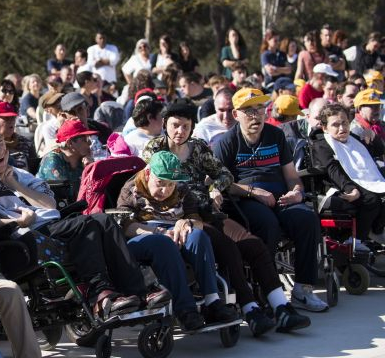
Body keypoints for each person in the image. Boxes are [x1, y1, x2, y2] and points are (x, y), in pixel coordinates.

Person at [0, 120, 171, 325]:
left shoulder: (16, 172)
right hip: (21, 236)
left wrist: (16, 185)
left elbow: (49, 205)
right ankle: (101, 294)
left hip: (50, 224)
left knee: (105, 221)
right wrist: (14, 220)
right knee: (90, 224)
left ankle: (136, 293)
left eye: (0, 142)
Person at [141, 103, 311, 335]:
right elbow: (157, 186)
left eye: (185, 126)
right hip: (180, 217)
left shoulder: (199, 147)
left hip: (208, 211)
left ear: (192, 128)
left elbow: (224, 174)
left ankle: (282, 307)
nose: (179, 131)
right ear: (165, 125)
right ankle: (251, 309)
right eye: (174, 125)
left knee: (254, 245)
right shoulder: (154, 150)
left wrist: (215, 189)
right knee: (229, 249)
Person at [212, 88, 328, 313]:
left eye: (259, 109)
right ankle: (267, 288)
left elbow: (292, 176)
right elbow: (221, 182)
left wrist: (296, 192)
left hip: (281, 197)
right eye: (249, 111)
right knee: (268, 224)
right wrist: (254, 192)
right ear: (236, 115)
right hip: (245, 201)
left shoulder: (276, 135)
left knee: (307, 219)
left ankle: (302, 290)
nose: (256, 115)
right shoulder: (226, 142)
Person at [311, 104, 385, 248]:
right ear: (325, 127)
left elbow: (377, 151)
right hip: (337, 184)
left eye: (344, 123)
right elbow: (332, 169)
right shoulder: (321, 144)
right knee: (370, 199)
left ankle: (376, 228)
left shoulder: (354, 138)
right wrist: (350, 188)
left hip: (362, 180)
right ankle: (357, 240)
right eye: (335, 125)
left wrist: (373, 136)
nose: (341, 128)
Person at [37, 119, 94, 201]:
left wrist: (90, 169)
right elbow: (65, 195)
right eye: (85, 140)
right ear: (70, 143)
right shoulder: (53, 160)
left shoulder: (83, 160)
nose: (89, 143)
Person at [0, 101, 36, 172]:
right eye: (6, 118)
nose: (11, 122)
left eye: (13, 118)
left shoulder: (26, 142)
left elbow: (34, 171)